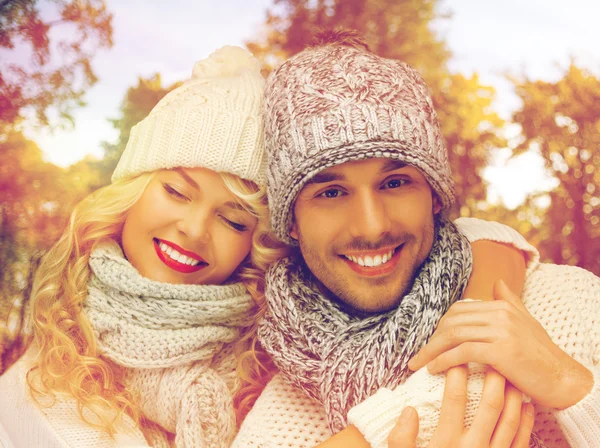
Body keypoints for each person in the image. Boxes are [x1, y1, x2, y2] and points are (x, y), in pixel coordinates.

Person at [233, 30, 600, 448]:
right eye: (330, 193)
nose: (371, 227)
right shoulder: (274, 427)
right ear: (292, 223)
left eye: (395, 182)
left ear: (434, 196)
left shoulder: (567, 306)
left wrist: (573, 389)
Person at [0, 45, 286, 448]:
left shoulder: (279, 375)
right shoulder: (32, 385)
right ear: (132, 192)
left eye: (233, 219)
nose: (194, 229)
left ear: (253, 245)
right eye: (176, 191)